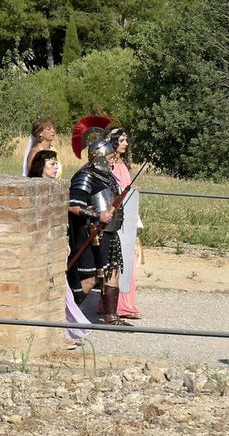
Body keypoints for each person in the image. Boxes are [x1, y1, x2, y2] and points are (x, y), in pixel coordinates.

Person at [28, 148, 90, 348]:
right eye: (51, 164)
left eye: (56, 164)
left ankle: (65, 330)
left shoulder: (57, 188)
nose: (56, 168)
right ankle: (60, 333)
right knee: (55, 292)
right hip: (42, 248)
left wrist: (64, 242)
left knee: (62, 292)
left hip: (58, 247)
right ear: (41, 167)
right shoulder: (35, 189)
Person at [67, 137, 130, 325]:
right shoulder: (85, 175)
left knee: (112, 270)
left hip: (109, 232)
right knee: (91, 276)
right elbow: (73, 205)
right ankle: (67, 314)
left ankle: (111, 316)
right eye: (110, 156)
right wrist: (98, 216)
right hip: (92, 232)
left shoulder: (107, 175)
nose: (113, 160)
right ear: (100, 157)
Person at [106, 127, 143, 320]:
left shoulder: (123, 162)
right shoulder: (109, 162)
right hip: (115, 217)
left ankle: (126, 303)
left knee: (129, 259)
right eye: (121, 140)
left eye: (126, 140)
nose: (126, 143)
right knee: (117, 261)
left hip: (127, 216)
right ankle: (117, 305)